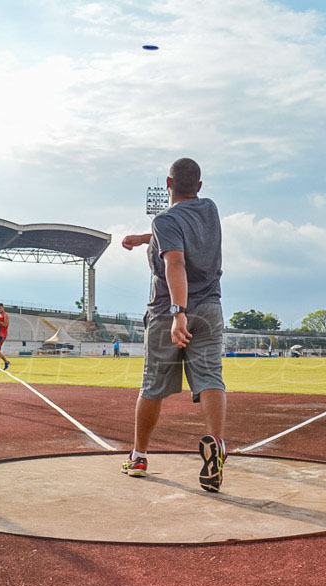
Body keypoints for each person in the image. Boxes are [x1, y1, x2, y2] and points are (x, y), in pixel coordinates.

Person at [119, 158, 227, 492]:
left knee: (152, 385)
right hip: (209, 308)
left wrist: (179, 312)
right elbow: (177, 231)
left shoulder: (165, 220)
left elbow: (175, 262)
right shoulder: (209, 210)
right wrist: (143, 238)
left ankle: (139, 456)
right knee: (211, 377)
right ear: (200, 187)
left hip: (169, 311)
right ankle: (217, 445)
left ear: (168, 184)